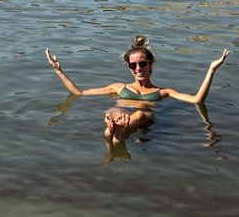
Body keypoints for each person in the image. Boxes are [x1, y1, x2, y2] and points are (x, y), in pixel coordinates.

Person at [44, 36, 229, 144]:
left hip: (141, 120)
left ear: (150, 65)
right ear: (129, 68)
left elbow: (197, 100)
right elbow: (80, 93)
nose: (138, 68)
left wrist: (211, 70)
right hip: (120, 114)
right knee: (116, 112)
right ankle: (115, 129)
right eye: (133, 65)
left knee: (141, 114)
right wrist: (58, 70)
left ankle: (115, 133)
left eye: (142, 64)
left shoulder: (164, 92)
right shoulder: (118, 87)